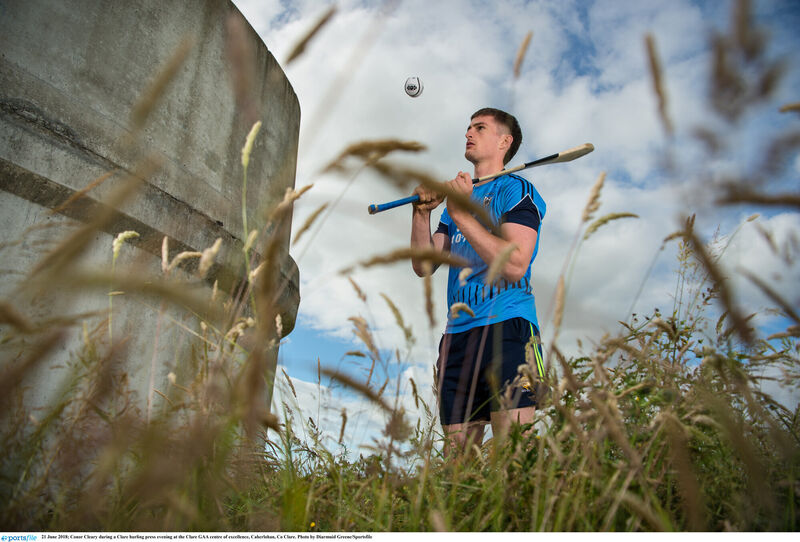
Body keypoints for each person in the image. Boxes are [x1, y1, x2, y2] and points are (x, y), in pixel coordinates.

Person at [410, 107, 546, 453]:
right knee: (457, 465)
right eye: (468, 127)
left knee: (513, 456)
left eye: (480, 128)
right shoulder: (453, 206)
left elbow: (515, 264)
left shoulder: (516, 190)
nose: (469, 133)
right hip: (458, 337)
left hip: (509, 327)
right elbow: (424, 266)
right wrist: (422, 213)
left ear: (504, 141)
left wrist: (460, 213)